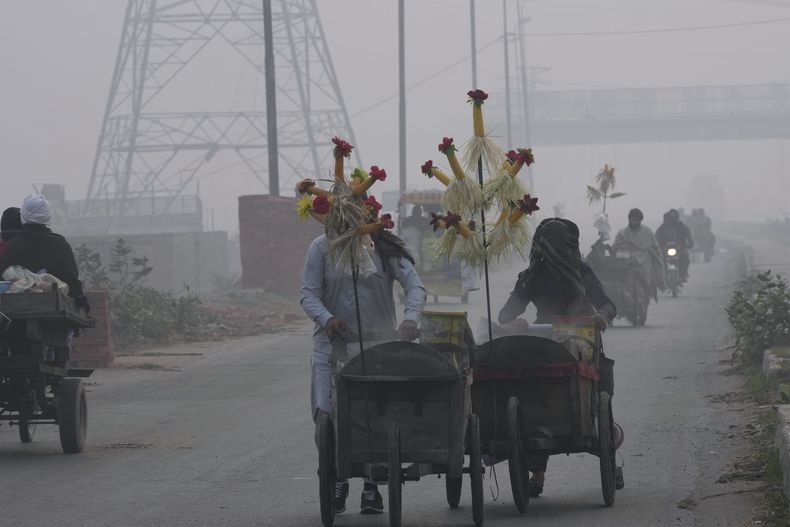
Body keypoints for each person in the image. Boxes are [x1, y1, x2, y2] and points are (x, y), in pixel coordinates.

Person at [301, 227, 426, 515]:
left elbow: (415, 286)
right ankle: (337, 478)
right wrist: (327, 318)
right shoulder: (320, 248)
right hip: (331, 346)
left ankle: (372, 485)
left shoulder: (383, 246)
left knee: (378, 415)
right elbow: (308, 295)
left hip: (377, 346)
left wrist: (410, 318)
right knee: (326, 416)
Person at [498, 218, 621, 495]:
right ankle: (537, 473)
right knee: (538, 401)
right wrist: (513, 322)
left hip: (583, 341)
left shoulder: (582, 271)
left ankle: (610, 457)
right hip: (544, 344)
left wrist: (601, 316)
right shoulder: (532, 276)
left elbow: (607, 304)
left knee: (598, 395)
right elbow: (506, 314)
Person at [0, 195, 90, 312]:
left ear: (23, 216)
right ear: (48, 216)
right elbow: (72, 279)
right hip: (58, 316)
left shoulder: (12, 246)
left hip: (15, 315)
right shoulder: (60, 244)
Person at [611, 208, 665, 303]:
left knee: (644, 285)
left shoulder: (647, 232)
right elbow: (614, 247)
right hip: (625, 263)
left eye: (638, 220)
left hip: (642, 264)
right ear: (629, 219)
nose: (636, 222)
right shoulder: (623, 233)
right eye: (634, 219)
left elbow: (655, 248)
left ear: (641, 220)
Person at [655, 208, 694, 282]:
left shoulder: (681, 226)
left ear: (678, 217)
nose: (673, 219)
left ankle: (683, 274)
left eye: (675, 217)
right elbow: (656, 238)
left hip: (680, 247)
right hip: (665, 248)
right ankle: (661, 276)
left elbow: (688, 234)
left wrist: (690, 243)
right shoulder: (662, 227)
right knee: (659, 260)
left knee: (685, 257)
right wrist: (657, 246)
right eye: (672, 217)